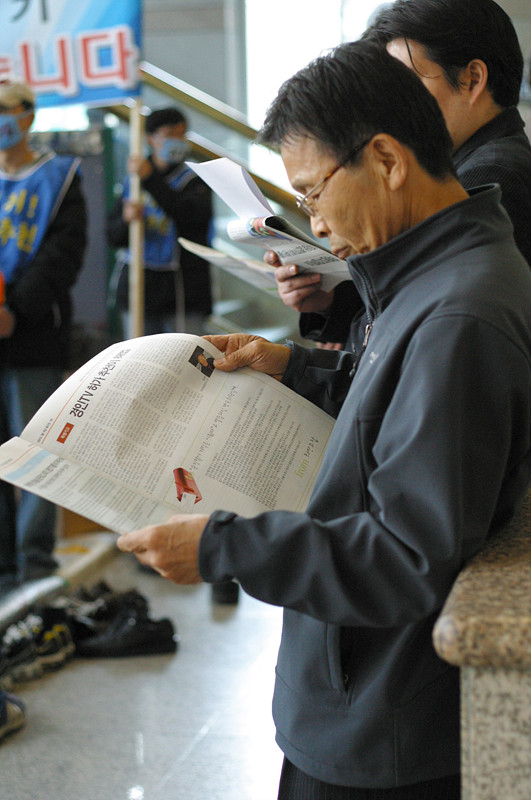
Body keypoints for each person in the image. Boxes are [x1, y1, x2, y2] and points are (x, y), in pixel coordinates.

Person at [117, 41, 531, 797]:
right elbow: (401, 410)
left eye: (310, 193)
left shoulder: (457, 313)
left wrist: (222, 547)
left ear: (385, 158)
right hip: (355, 691)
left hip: (382, 713)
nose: (310, 217)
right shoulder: (426, 273)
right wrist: (298, 368)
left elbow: (407, 555)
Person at [274, 0, 531, 351]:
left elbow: (419, 317)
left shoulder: (489, 178)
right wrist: (332, 299)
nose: (392, 102)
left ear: (472, 79)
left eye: (406, 83)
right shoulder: (480, 161)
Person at [0, 78, 87, 595]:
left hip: (33, 333)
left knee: (32, 447)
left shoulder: (61, 176)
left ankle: (34, 559)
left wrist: (14, 310)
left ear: (28, 115)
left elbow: (63, 255)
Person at [106, 106, 213, 338]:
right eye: (169, 135)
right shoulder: (131, 182)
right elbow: (113, 236)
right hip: (139, 289)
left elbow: (192, 220)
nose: (177, 141)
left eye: (181, 134)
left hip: (183, 293)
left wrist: (151, 180)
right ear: (151, 139)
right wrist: (126, 221)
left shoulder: (194, 180)